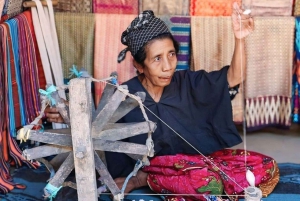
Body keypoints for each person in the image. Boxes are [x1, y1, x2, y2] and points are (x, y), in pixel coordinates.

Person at [45, 3, 278, 201]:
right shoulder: (124, 95)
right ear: (139, 65)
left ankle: (154, 180)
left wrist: (239, 40)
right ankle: (145, 179)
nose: (168, 66)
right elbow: (95, 127)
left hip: (192, 166)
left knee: (263, 165)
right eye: (157, 59)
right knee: (207, 184)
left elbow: (234, 77)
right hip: (159, 172)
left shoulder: (187, 82)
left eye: (171, 54)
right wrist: (70, 114)